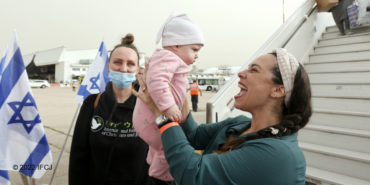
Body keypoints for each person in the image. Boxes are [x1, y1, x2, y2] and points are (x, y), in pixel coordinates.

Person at [134, 48, 312, 185]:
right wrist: (177, 94)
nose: (241, 73)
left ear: (278, 90)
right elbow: (192, 136)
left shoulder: (278, 154)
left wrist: (161, 113)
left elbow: (193, 174)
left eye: (254, 70)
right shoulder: (240, 125)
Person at [69, 34, 151, 185]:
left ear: (138, 69)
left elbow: (165, 144)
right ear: (108, 66)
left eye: (130, 64)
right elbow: (79, 156)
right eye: (117, 62)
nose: (124, 69)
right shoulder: (92, 103)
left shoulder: (148, 103)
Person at [133, 12, 205, 184]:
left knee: (159, 144)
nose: (197, 55)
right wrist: (168, 107)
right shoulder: (168, 56)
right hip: (152, 118)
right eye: (194, 49)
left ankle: (152, 161)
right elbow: (157, 81)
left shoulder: (169, 58)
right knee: (168, 146)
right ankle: (163, 175)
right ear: (177, 44)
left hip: (150, 119)